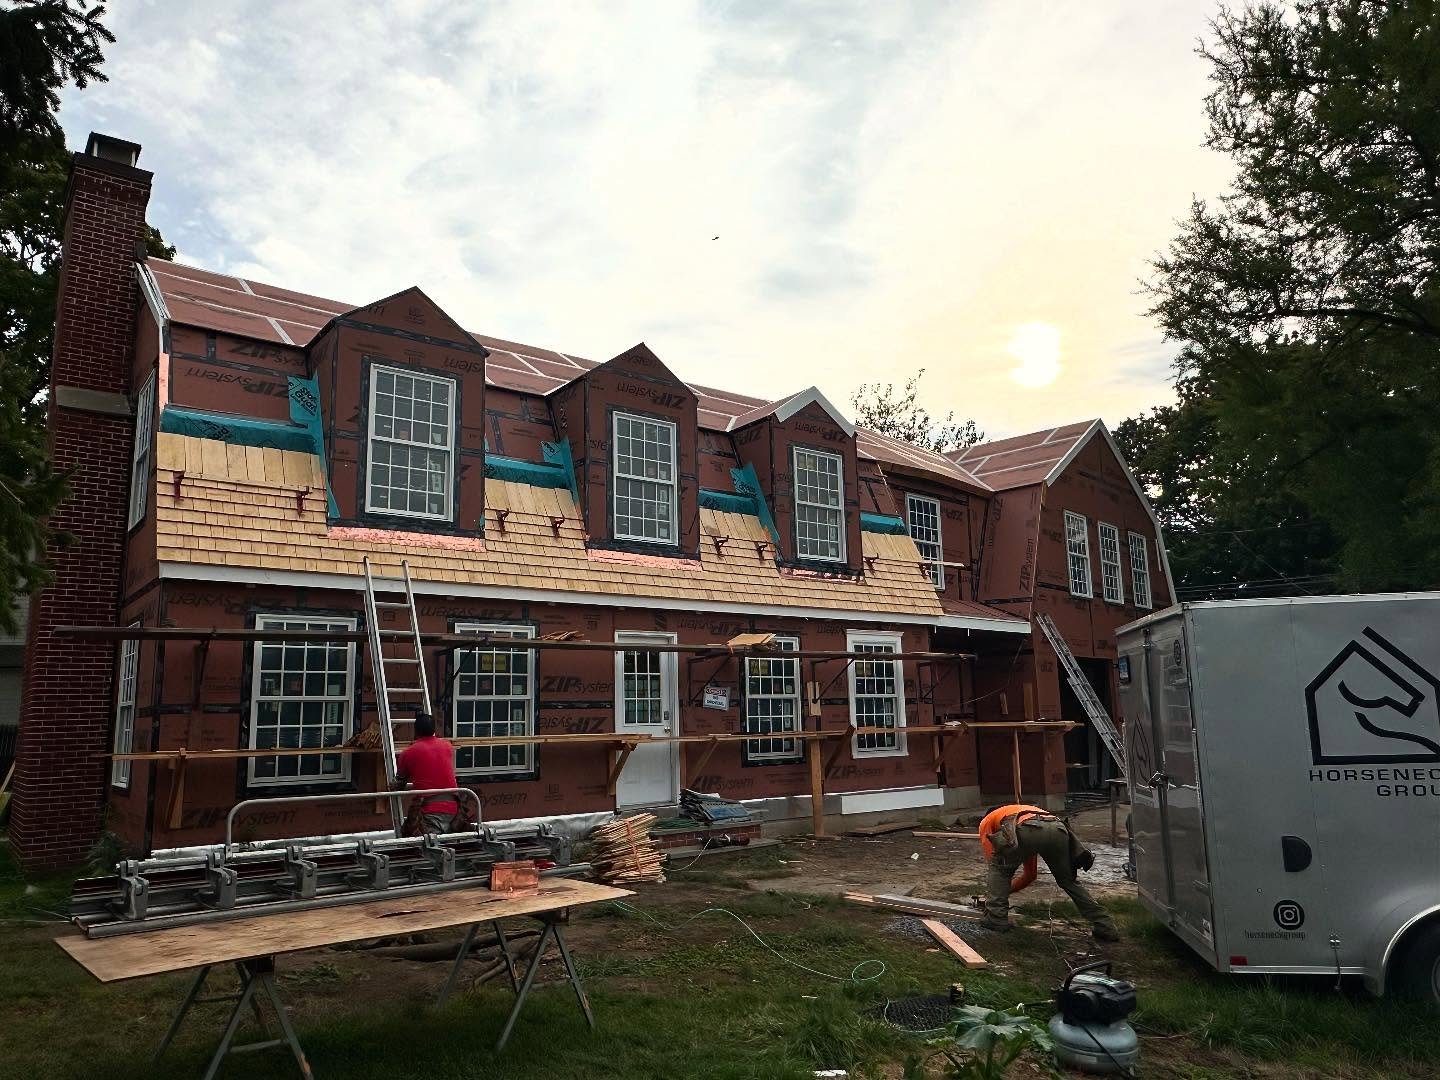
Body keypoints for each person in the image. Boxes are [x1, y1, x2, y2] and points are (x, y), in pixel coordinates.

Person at [977, 802, 1119, 942]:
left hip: (1026, 829)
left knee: (999, 870)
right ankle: (1105, 925)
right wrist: (1002, 893)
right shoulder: (1020, 812)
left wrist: (995, 897)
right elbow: (1030, 875)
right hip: (1057, 828)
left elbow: (994, 865)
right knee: (1068, 881)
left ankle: (995, 919)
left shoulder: (987, 820)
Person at [394, 713, 462, 834]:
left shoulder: (408, 753)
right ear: (434, 730)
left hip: (430, 811)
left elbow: (400, 783)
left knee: (410, 837)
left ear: (416, 731)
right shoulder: (447, 746)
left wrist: (393, 787)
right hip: (455, 809)